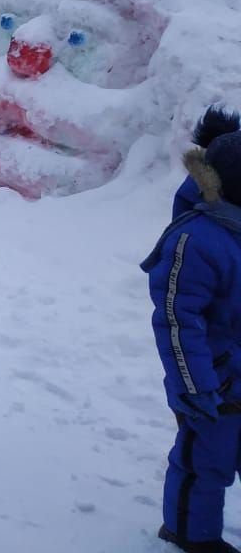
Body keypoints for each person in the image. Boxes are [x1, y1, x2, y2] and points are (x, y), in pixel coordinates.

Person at [142, 106, 241, 553]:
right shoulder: (197, 240)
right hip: (213, 379)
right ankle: (189, 533)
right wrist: (194, 384)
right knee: (206, 462)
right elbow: (178, 319)